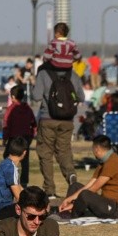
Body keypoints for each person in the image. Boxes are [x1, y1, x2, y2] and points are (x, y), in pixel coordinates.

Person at [30, 57, 83, 198]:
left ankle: (49, 188)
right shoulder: (73, 74)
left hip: (48, 118)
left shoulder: (43, 74)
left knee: (45, 153)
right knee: (64, 151)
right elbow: (81, 97)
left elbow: (36, 97)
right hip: (67, 120)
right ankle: (71, 176)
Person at [58, 135, 118, 220]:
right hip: (105, 201)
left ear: (97, 149)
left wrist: (73, 204)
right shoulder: (103, 162)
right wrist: (68, 199)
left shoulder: (113, 162)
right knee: (75, 186)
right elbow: (89, 185)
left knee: (85, 194)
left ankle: (72, 216)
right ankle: (68, 211)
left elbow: (94, 188)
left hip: (116, 207)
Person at [0, 137, 27, 220]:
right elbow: (19, 196)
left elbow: (19, 188)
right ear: (24, 152)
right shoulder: (10, 168)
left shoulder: (6, 163)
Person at [2, 86, 36, 187]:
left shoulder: (11, 109)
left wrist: (5, 138)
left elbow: (6, 124)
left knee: (7, 157)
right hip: (25, 137)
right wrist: (31, 136)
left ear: (12, 96)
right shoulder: (27, 108)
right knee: (25, 162)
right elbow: (33, 123)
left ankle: (9, 178)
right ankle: (24, 181)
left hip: (14, 138)